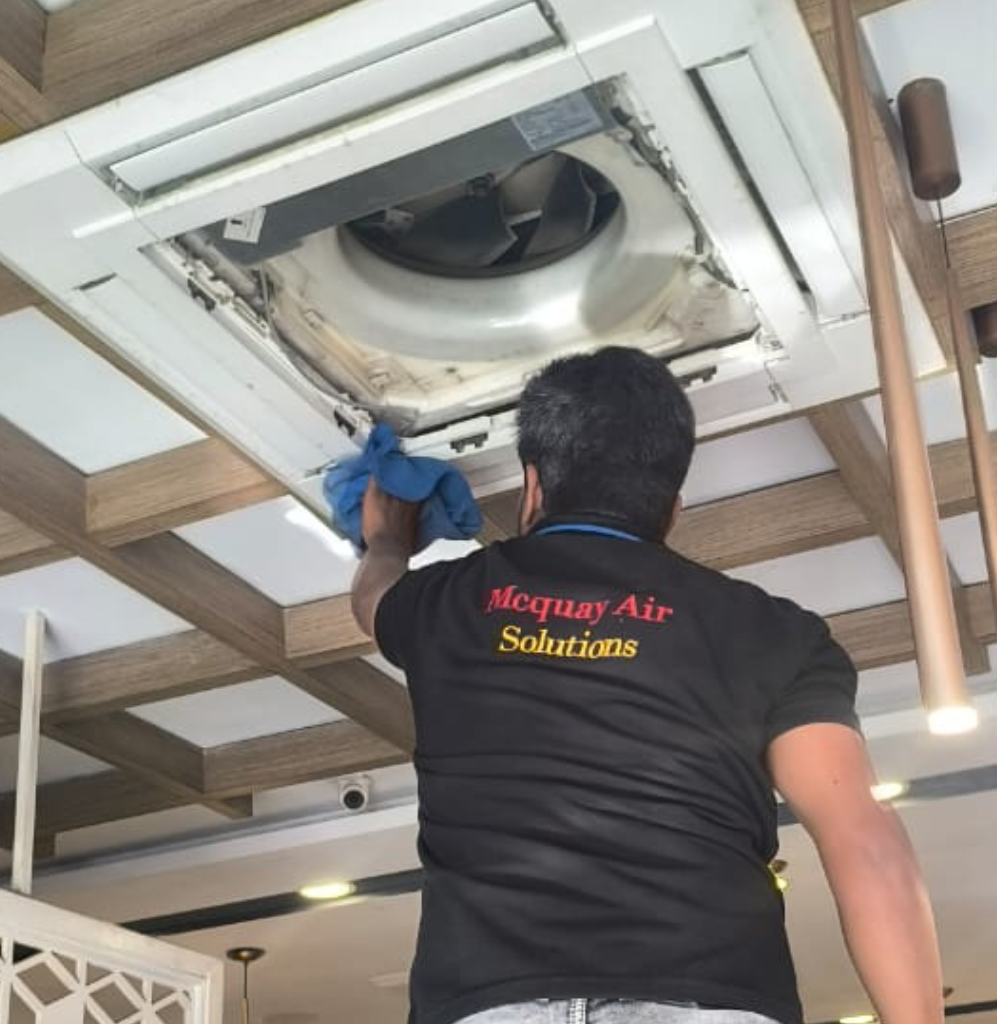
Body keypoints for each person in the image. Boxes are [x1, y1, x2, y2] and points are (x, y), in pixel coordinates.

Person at [351, 347, 944, 1024]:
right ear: (672, 509)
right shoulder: (775, 633)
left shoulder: (448, 602)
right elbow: (863, 842)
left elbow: (372, 599)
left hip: (486, 1001)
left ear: (533, 486)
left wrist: (386, 539)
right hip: (710, 998)